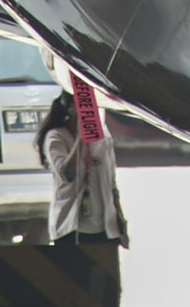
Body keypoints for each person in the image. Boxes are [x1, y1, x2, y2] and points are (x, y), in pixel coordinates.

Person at [39, 80, 129, 243]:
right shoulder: (56, 137)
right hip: (73, 225)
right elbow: (67, 173)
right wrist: (83, 137)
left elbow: (111, 181)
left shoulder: (103, 136)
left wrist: (119, 217)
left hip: (104, 225)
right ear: (70, 107)